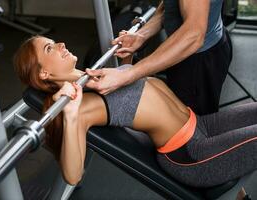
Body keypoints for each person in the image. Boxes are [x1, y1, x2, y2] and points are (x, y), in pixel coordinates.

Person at [13, 36, 256, 188]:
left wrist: (127, 62)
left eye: (54, 42)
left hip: (202, 126)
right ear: (43, 73)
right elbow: (73, 175)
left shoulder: (95, 76)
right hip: (191, 154)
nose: (61, 44)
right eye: (49, 48)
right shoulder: (80, 104)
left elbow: (134, 101)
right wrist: (72, 113)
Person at [86, 0, 232, 115]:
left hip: (197, 61)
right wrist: (141, 35)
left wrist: (127, 74)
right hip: (187, 52)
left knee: (193, 135)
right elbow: (170, 6)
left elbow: (194, 35)